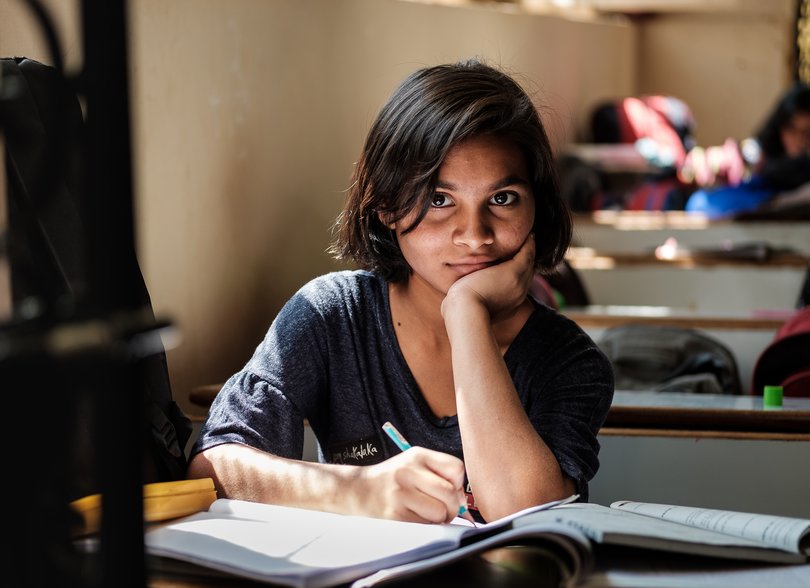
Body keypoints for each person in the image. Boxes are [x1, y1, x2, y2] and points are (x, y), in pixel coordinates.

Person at [187, 59, 614, 525]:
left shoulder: (570, 362)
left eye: (502, 198)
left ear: (538, 204)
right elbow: (212, 469)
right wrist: (357, 491)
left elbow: (526, 515)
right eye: (438, 200)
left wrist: (467, 313)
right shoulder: (333, 316)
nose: (474, 235)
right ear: (387, 206)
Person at [686, 82, 810, 218]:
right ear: (779, 127)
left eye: (807, 132)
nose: (799, 139)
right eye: (792, 129)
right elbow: (701, 205)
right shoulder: (765, 168)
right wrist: (785, 200)